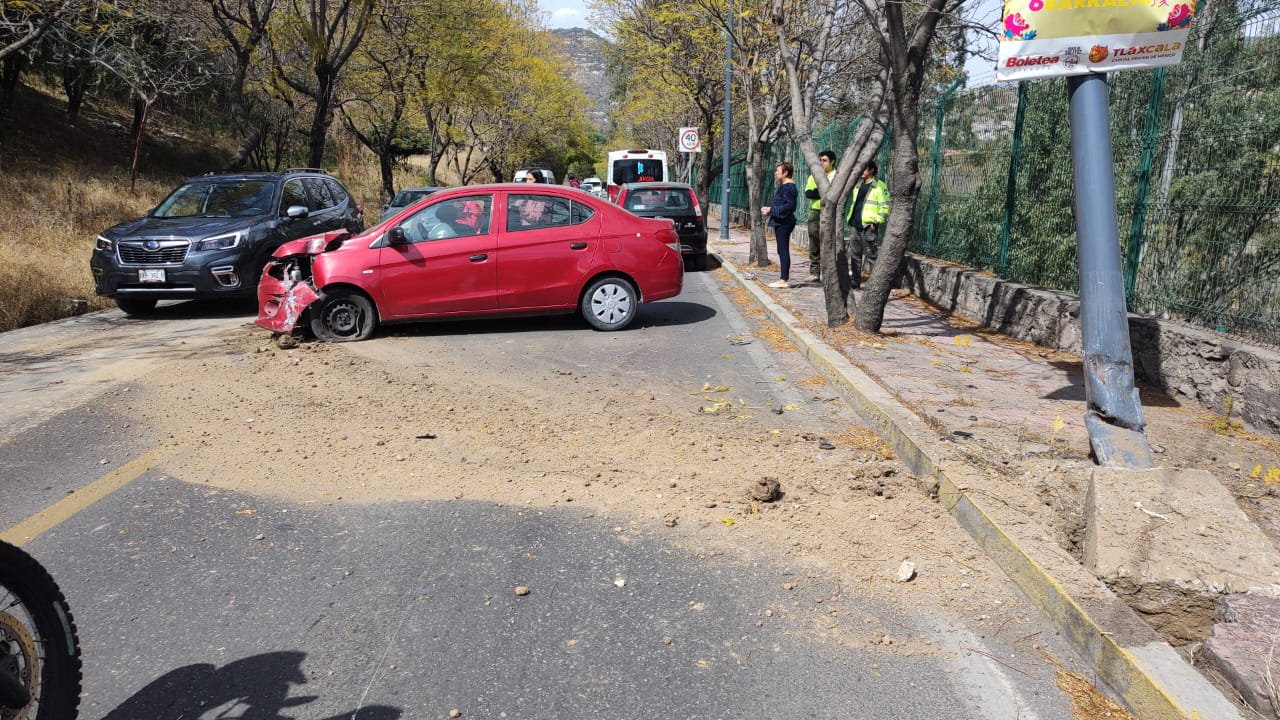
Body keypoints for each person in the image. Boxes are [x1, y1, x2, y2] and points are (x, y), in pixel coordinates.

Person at [844, 160, 890, 289]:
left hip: (869, 226)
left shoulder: (879, 186)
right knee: (854, 255)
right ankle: (855, 282)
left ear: (871, 170)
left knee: (871, 255)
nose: (862, 171)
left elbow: (885, 206)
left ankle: (874, 284)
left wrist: (876, 221)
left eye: (864, 169)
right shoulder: (858, 185)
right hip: (856, 224)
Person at [761, 161, 798, 288]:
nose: (776, 173)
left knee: (783, 250)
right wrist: (771, 209)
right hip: (781, 221)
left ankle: (783, 279)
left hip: (784, 222)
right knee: (781, 249)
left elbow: (790, 206)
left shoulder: (789, 187)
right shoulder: (785, 186)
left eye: (778, 170)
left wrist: (772, 210)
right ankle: (783, 278)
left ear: (786, 172)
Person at [802, 149, 837, 282]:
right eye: (820, 160)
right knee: (814, 241)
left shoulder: (836, 175)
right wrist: (822, 191)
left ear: (832, 162)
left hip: (830, 213)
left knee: (829, 241)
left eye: (825, 160)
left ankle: (828, 272)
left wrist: (820, 192)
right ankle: (815, 272)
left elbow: (832, 193)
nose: (821, 163)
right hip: (815, 211)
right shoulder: (813, 176)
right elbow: (809, 194)